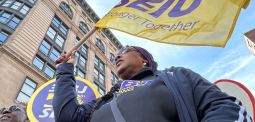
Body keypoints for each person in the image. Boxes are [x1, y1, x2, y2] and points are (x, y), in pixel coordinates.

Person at [52, 45, 254, 122]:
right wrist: (65, 69)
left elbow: (224, 107)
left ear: (145, 59)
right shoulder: (102, 102)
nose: (117, 56)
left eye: (124, 50)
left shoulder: (176, 76)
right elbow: (66, 116)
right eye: (115, 56)